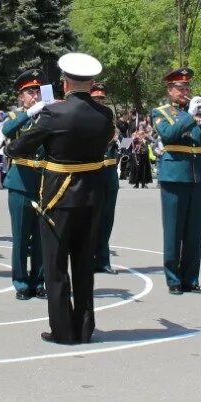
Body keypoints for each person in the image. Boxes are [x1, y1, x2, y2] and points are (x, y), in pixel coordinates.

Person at [5, 52, 113, 345]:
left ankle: (64, 331)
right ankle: (84, 326)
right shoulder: (106, 115)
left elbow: (17, 148)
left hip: (58, 197)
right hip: (92, 196)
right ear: (91, 83)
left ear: (65, 83)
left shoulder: (55, 113)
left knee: (55, 266)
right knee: (83, 265)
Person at [151, 67, 201, 295]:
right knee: (173, 230)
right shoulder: (160, 112)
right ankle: (174, 279)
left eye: (187, 87)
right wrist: (190, 115)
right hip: (174, 177)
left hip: (197, 176)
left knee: (193, 231)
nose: (185, 91)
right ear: (170, 89)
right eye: (180, 88)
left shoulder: (195, 113)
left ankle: (191, 278)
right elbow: (168, 135)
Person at [0, 69, 48, 300]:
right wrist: (29, 113)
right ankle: (20, 282)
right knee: (20, 235)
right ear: (21, 97)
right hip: (20, 181)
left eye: (37, 91)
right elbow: (7, 130)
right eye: (30, 92)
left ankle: (39, 281)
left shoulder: (49, 116)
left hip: (45, 181)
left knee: (41, 236)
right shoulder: (15, 116)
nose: (35, 95)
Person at [89, 81, 120, 275]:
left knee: (107, 219)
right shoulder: (87, 118)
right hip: (93, 171)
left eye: (102, 98)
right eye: (96, 99)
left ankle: (103, 260)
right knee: (91, 218)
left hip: (109, 171)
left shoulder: (108, 118)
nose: (100, 101)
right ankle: (88, 258)